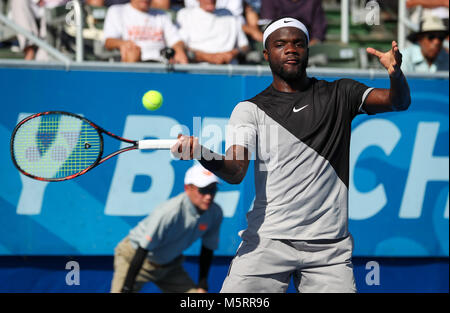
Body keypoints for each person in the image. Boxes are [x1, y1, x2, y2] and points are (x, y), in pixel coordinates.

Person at [172, 17, 411, 293]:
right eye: (281, 44)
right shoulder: (249, 110)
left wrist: (395, 74)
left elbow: (399, 101)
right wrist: (201, 152)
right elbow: (236, 171)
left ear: (308, 50)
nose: (291, 49)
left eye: (298, 43)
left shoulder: (341, 93)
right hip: (267, 242)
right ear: (266, 54)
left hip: (328, 250)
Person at [110, 163, 223, 293]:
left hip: (170, 266)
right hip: (133, 258)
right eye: (203, 190)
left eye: (212, 190)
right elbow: (143, 249)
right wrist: (126, 288)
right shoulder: (169, 212)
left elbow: (207, 249)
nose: (209, 196)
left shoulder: (215, 213)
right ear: (188, 188)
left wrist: (202, 285)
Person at [103, 0, 188, 63]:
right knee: (131, 54)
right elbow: (109, 42)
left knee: (181, 56)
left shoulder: (162, 15)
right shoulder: (117, 11)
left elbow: (177, 41)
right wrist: (124, 44)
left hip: (161, 62)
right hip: (134, 60)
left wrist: (178, 49)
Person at [176, 0, 249, 64]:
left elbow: (244, 46)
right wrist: (208, 57)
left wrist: (232, 53)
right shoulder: (185, 15)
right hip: (198, 69)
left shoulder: (229, 15)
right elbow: (180, 46)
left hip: (229, 70)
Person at [259, 0, 327, 45]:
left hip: (307, 49)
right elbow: (267, 29)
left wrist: (303, 49)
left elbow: (318, 34)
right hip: (276, 47)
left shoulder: (313, 2)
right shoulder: (269, 1)